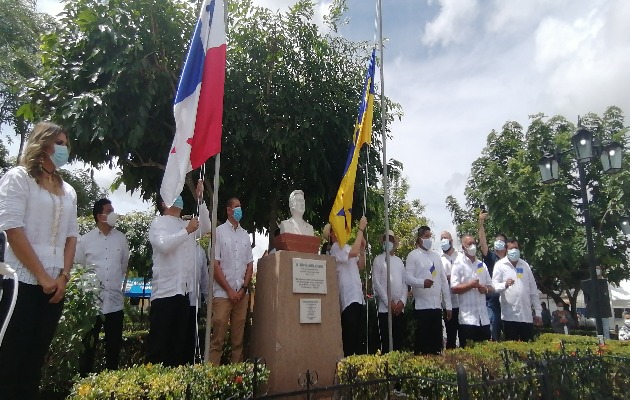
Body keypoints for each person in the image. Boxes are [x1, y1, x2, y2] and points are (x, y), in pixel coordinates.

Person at [0, 122, 79, 400]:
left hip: (55, 288)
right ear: (43, 144)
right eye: (60, 142)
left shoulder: (69, 190)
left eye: (66, 144)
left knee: (35, 360)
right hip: (20, 282)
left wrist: (63, 277)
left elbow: (72, 237)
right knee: (10, 359)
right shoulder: (19, 177)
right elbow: (12, 229)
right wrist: (42, 276)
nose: (64, 149)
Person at [147, 181, 210, 367]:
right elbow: (164, 245)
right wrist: (186, 231)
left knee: (179, 349)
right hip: (164, 294)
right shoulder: (158, 223)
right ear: (163, 203)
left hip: (184, 295)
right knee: (159, 349)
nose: (179, 199)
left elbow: (205, 227)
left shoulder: (186, 224)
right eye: (174, 196)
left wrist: (201, 200)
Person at [76, 198, 130, 374]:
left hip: (114, 302)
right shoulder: (85, 241)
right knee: (87, 349)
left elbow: (123, 265)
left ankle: (111, 385)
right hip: (92, 304)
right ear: (99, 216)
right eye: (109, 210)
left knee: (113, 348)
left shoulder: (121, 239)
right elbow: (79, 268)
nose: (113, 213)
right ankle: (84, 385)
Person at [209, 197, 254, 365]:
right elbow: (215, 265)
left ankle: (237, 379)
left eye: (240, 207)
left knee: (238, 342)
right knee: (217, 340)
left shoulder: (245, 235)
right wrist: (229, 290)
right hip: (222, 294)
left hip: (241, 296)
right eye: (236, 207)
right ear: (228, 210)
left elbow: (250, 265)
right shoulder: (219, 232)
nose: (239, 210)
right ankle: (211, 379)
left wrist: (243, 289)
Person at [323, 216, 368, 357]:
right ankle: (347, 372)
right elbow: (353, 253)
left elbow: (361, 265)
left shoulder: (346, 247)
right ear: (330, 235)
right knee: (350, 340)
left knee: (357, 340)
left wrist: (363, 250)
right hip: (348, 299)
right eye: (334, 230)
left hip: (357, 297)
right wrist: (360, 229)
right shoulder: (335, 248)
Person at [405, 226, 452, 355]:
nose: (429, 239)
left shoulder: (436, 257)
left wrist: (448, 306)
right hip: (421, 306)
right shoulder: (413, 255)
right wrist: (421, 283)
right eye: (426, 236)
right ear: (420, 238)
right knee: (423, 345)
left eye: (430, 236)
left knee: (436, 345)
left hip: (436, 306)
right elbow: (407, 277)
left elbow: (443, 281)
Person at [491, 239, 542, 341]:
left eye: (516, 248)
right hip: (510, 316)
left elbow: (533, 290)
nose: (514, 250)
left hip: (526, 316)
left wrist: (538, 312)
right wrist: (504, 284)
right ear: (506, 250)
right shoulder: (500, 265)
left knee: (528, 348)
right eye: (511, 248)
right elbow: (494, 286)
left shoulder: (525, 265)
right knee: (512, 348)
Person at [451, 234, 494, 348]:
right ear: (463, 247)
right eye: (469, 244)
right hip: (467, 319)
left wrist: (484, 289)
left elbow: (491, 287)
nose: (472, 246)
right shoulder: (458, 264)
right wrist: (470, 285)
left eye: (474, 243)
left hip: (483, 318)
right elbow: (454, 288)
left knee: (486, 353)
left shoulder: (482, 264)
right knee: (469, 355)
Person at [372, 230, 407, 353]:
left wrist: (402, 301)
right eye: (386, 239)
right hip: (385, 309)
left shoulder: (399, 261)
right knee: (386, 343)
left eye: (391, 239)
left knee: (398, 342)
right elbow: (376, 283)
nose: (388, 242)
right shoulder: (378, 260)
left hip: (398, 309)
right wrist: (389, 302)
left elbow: (404, 283)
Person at [478, 211, 506, 341]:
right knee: (492, 331)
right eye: (496, 241)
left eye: (501, 241)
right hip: (492, 301)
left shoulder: (510, 261)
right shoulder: (491, 258)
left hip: (507, 302)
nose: (497, 243)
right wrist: (481, 224)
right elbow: (483, 244)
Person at [185, 243, 208, 364]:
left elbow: (205, 279)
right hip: (177, 303)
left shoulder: (200, 251)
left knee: (190, 343)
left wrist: (210, 302)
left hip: (194, 304)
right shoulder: (178, 247)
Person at [440, 231, 460, 349]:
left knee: (463, 336)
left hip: (462, 303)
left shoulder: (461, 257)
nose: (443, 240)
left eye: (445, 238)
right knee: (450, 337)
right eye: (441, 238)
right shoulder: (439, 259)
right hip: (448, 305)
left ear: (451, 240)